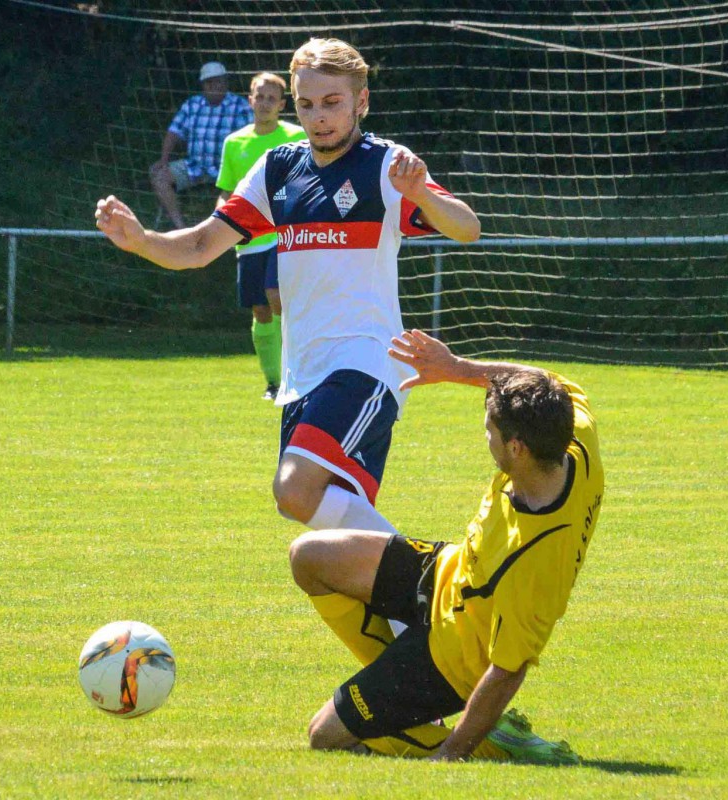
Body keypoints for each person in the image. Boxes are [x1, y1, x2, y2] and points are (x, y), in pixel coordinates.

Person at [97, 38, 479, 536]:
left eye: (332, 102)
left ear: (361, 102)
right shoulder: (279, 167)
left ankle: (426, 574)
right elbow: (198, 247)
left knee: (294, 488)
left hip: (366, 361)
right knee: (323, 526)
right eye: (306, 104)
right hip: (305, 374)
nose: (318, 116)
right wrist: (142, 240)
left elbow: (467, 227)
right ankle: (414, 606)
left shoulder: (387, 165)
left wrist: (421, 193)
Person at [287, 328, 603, 762]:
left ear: (517, 447)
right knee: (309, 558)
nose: (485, 436)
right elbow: (545, 379)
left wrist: (453, 753)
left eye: (490, 431)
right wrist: (458, 369)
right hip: (446, 573)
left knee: (323, 735)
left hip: (453, 659)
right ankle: (396, 684)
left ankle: (495, 744)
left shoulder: (535, 562)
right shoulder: (571, 433)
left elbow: (507, 671)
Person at [215, 72, 307, 400]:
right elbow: (227, 193)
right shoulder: (234, 143)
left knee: (277, 295)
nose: (265, 103)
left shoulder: (297, 137)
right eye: (260, 96)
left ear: (282, 105)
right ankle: (273, 382)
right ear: (250, 99)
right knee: (261, 309)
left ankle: (296, 375)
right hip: (250, 238)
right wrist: (222, 225)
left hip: (286, 235)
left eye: (272, 98)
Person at [151, 61, 252, 229]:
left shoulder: (241, 106)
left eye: (218, 81)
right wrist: (164, 159)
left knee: (247, 184)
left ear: (225, 82)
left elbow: (253, 136)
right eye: (209, 82)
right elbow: (174, 132)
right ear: (203, 84)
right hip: (194, 165)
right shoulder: (192, 104)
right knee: (160, 176)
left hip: (227, 169)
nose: (214, 85)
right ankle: (180, 228)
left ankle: (230, 231)